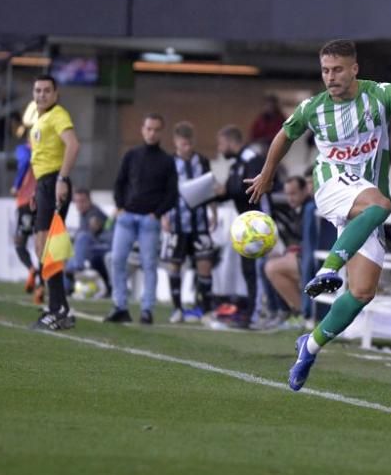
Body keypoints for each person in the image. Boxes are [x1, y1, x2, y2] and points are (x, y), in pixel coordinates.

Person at [244, 39, 391, 391]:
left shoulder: (379, 94)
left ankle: (311, 344)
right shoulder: (313, 108)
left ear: (354, 68)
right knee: (381, 206)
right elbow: (283, 135)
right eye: (325, 70)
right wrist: (268, 173)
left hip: (364, 197)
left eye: (337, 69)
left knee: (364, 291)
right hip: (332, 183)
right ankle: (327, 270)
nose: (330, 77)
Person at [107, 114, 178, 326]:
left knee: (149, 265)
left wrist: (156, 214)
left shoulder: (167, 161)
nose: (152, 133)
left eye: (156, 129)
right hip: (127, 216)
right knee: (117, 260)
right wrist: (120, 206)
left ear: (160, 132)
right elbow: (119, 182)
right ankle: (120, 306)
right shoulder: (131, 155)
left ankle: (147, 309)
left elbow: (171, 194)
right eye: (149, 128)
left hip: (149, 220)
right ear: (142, 129)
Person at [26, 75, 80, 330]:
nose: (41, 95)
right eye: (38, 90)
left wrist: (62, 178)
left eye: (47, 91)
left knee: (49, 246)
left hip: (54, 182)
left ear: (56, 94)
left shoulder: (58, 114)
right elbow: (41, 157)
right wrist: (37, 190)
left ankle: (57, 308)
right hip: (44, 184)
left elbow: (73, 145)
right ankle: (59, 306)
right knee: (42, 246)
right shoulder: (40, 119)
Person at [213, 124, 273, 327]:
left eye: (221, 144)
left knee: (256, 269)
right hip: (247, 226)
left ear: (231, 141)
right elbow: (232, 191)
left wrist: (227, 189)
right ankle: (252, 311)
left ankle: (256, 314)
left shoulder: (251, 159)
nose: (219, 149)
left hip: (258, 224)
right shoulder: (237, 163)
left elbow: (251, 187)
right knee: (249, 269)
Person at [163, 121, 217, 324]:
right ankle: (177, 309)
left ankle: (206, 310)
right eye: (182, 144)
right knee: (174, 265)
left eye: (189, 143)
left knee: (205, 264)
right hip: (177, 221)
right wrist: (164, 215)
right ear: (176, 142)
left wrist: (213, 211)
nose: (187, 147)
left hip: (200, 222)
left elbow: (208, 186)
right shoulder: (169, 163)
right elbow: (164, 190)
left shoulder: (202, 161)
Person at [263, 175, 314, 327]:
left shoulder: (311, 208)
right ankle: (282, 310)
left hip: (313, 260)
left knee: (272, 267)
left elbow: (312, 242)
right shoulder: (297, 210)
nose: (290, 198)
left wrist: (294, 252)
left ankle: (304, 314)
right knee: (266, 262)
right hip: (301, 256)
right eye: (287, 194)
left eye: (293, 193)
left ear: (305, 190)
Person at [67, 188, 111, 298]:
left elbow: (94, 226)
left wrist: (94, 225)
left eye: (83, 201)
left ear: (90, 200)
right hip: (95, 249)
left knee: (82, 237)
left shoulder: (94, 212)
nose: (80, 204)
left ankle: (78, 269)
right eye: (77, 201)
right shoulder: (83, 214)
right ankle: (65, 289)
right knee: (69, 255)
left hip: (106, 246)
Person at [11, 131, 39, 299]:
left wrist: (16, 185)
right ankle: (42, 284)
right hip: (43, 202)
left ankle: (31, 269)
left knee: (20, 241)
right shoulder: (47, 152)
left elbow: (23, 163)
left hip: (27, 203)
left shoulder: (24, 150)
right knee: (41, 243)